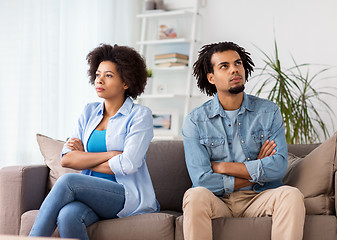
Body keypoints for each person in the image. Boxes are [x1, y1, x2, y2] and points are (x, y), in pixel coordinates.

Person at [29, 44, 159, 240]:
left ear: (126, 82)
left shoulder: (140, 115)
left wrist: (84, 157)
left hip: (124, 194)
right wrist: (110, 155)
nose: (99, 80)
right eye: (98, 74)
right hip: (90, 194)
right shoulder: (89, 112)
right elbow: (67, 159)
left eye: (108, 75)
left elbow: (128, 165)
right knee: (67, 216)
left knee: (69, 181)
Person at [181, 42, 305, 240]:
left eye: (238, 63)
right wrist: (255, 171)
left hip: (259, 196)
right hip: (217, 200)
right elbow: (202, 180)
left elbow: (279, 167)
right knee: (195, 196)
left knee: (291, 195)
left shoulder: (268, 111)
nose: (234, 69)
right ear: (211, 77)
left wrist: (223, 167)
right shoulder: (195, 121)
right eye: (225, 66)